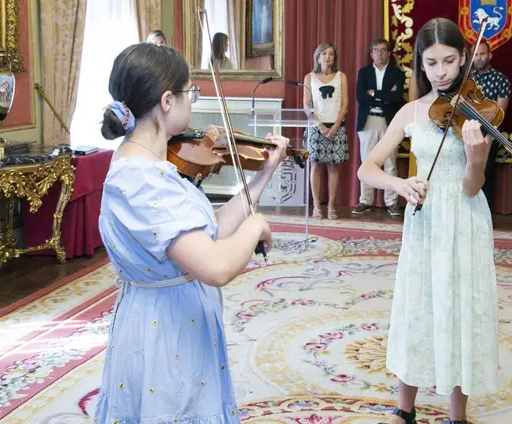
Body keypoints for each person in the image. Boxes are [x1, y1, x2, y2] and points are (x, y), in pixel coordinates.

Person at [93, 43, 289, 423]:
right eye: (190, 92)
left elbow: (207, 232)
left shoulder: (148, 163)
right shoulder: (145, 180)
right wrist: (255, 226)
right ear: (167, 100)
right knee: (172, 407)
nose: (192, 101)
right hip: (166, 330)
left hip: (168, 317)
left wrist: (264, 174)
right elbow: (215, 266)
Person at [357, 18, 498, 424]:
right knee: (419, 304)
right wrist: (399, 184)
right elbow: (367, 169)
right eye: (432, 63)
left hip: (464, 218)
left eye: (450, 62)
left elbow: (472, 187)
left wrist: (476, 158)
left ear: (464, 59)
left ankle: (458, 415)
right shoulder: (411, 111)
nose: (442, 72)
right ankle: (405, 409)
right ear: (421, 63)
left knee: (459, 308)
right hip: (424, 220)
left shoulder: (476, 116)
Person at [353, 38, 406, 216]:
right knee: (367, 161)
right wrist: (384, 95)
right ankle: (365, 201)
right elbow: (361, 97)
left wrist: (374, 93)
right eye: (377, 50)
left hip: (389, 121)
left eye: (384, 50)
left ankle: (391, 202)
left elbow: (397, 97)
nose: (380, 53)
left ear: (389, 54)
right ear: (371, 54)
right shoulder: (364, 72)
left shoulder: (397, 73)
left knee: (390, 162)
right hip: (368, 121)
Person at [304, 42, 350, 220]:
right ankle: (316, 207)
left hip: (336, 126)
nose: (327, 57)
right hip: (317, 128)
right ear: (318, 57)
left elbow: (345, 104)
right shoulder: (309, 77)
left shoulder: (341, 77)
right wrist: (320, 126)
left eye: (330, 54)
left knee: (333, 167)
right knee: (315, 167)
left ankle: (331, 207)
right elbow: (306, 106)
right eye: (324, 54)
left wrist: (336, 126)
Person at [471, 41, 511, 208]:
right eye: (476, 55)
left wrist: (475, 113)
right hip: (463, 132)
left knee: (485, 175)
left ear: (489, 56)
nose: (479, 58)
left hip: (487, 134)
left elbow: (498, 113)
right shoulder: (465, 79)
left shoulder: (501, 80)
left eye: (482, 54)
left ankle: (484, 214)